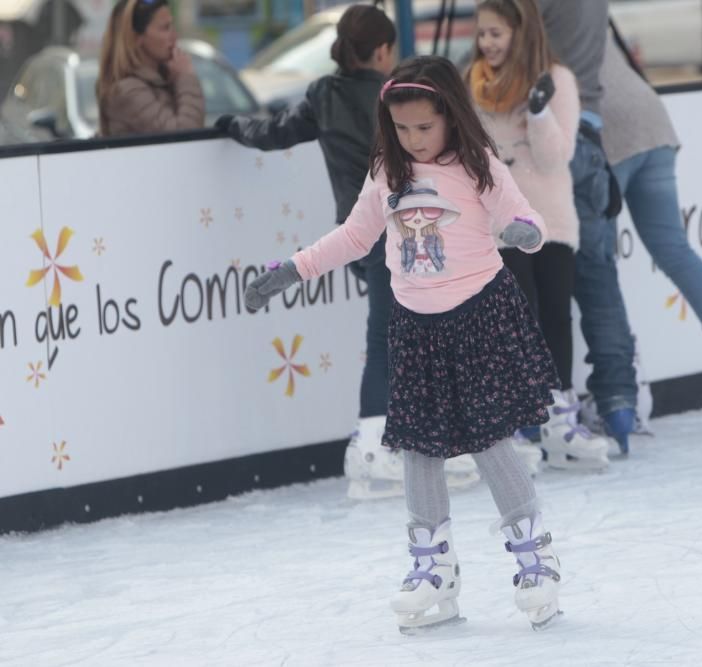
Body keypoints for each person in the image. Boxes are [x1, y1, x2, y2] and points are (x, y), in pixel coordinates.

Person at [243, 56, 564, 632]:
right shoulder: (386, 174)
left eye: (424, 127)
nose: (413, 139)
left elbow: (523, 215)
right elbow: (353, 236)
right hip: (415, 325)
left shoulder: (476, 165)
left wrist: (525, 233)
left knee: (489, 439)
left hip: (477, 315)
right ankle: (434, 568)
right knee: (419, 448)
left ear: (450, 116)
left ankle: (534, 557)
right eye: (402, 128)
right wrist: (291, 270)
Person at [215, 5, 478, 499]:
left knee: (407, 335)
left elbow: (274, 135)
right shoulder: (394, 98)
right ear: (381, 51)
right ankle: (375, 445)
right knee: (395, 336)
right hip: (402, 230)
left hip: (365, 237)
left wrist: (232, 124)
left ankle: (411, 441)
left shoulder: (323, 94)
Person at [600, 33, 702, 430]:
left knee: (598, 265)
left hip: (607, 133)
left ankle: (628, 390)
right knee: (674, 248)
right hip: (653, 122)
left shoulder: (530, 19)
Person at [467, 0, 610, 472]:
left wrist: (539, 111)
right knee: (514, 322)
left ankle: (558, 418)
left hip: (549, 218)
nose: (487, 43)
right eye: (483, 33)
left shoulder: (557, 80)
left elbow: (555, 159)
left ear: (520, 32)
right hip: (502, 223)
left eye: (496, 33)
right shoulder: (473, 85)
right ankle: (516, 424)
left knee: (555, 315)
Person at [537, 0, 638, 455]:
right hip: (589, 137)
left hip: (546, 143)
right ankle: (618, 401)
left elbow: (505, 46)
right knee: (598, 280)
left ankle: (542, 412)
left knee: (536, 285)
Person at [96, 0, 205, 137]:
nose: (174, 37)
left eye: (172, 27)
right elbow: (185, 137)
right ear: (136, 38)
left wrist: (176, 81)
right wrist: (186, 78)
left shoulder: (162, 79)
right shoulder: (127, 91)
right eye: (165, 28)